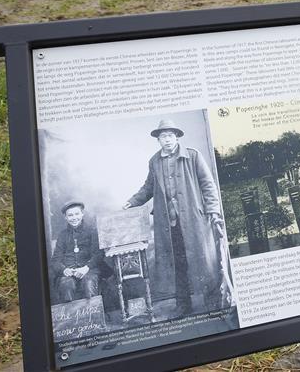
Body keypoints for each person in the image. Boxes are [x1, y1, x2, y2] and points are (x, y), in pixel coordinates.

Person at [123, 119, 225, 316]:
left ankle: (212, 300)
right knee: (177, 263)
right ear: (158, 140)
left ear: (177, 137)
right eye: (163, 137)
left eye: (170, 135)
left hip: (195, 221)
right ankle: (183, 304)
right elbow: (148, 187)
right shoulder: (154, 161)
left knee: (204, 260)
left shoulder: (193, 156)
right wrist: (132, 201)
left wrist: (213, 210)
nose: (167, 140)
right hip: (168, 225)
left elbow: (208, 185)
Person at [50, 200, 103, 303]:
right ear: (65, 217)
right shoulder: (62, 235)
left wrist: (86, 268)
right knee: (66, 284)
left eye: (77, 214)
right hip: (69, 273)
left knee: (88, 283)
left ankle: (93, 316)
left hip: (89, 270)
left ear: (82, 214)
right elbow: (56, 260)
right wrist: (64, 270)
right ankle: (71, 317)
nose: (74, 218)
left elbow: (98, 254)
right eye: (70, 215)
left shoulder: (92, 231)